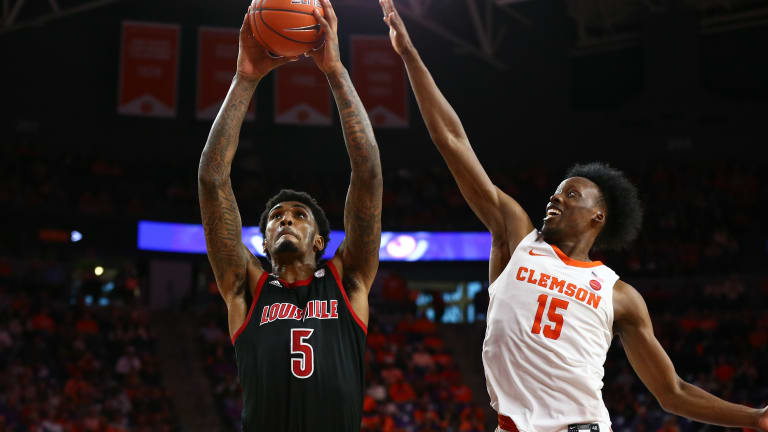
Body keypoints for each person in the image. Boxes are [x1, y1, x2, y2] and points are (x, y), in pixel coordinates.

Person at [378, 1, 768, 431]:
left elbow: (672, 392)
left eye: (571, 194)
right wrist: (409, 55)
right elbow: (452, 140)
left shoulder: (619, 296)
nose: (556, 198)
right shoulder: (517, 238)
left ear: (598, 216)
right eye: (557, 191)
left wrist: (755, 418)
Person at [197, 0, 382, 429]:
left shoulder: (348, 278)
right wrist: (244, 79)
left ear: (320, 240)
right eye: (276, 217)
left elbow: (368, 173)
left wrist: (336, 72)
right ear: (263, 242)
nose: (285, 219)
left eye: (299, 215)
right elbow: (212, 181)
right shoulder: (247, 287)